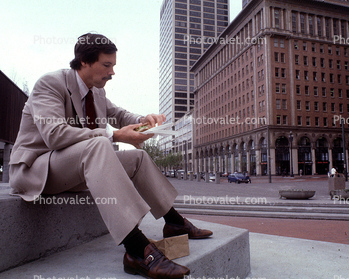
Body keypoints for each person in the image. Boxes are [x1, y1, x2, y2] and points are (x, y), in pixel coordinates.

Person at [9, 33, 212, 279]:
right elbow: (54, 135)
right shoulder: (50, 84)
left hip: (73, 166)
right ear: (84, 61)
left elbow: (119, 114)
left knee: (136, 158)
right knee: (100, 144)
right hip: (37, 170)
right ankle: (137, 250)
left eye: (113, 65)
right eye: (107, 65)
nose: (112, 72)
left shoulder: (97, 92)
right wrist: (115, 136)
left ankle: (175, 222)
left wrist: (142, 121)